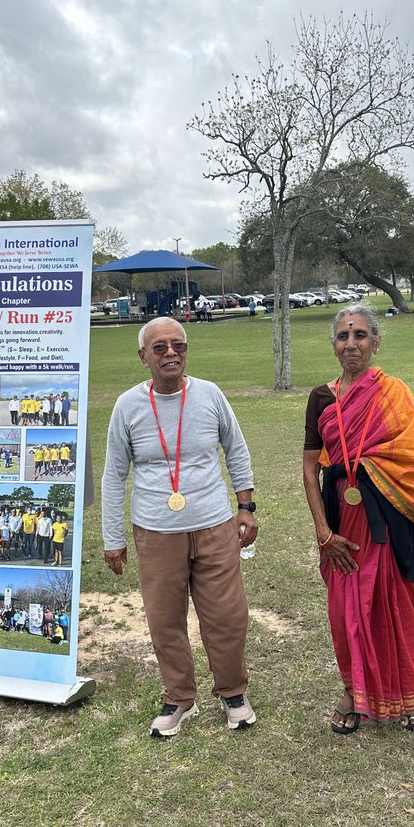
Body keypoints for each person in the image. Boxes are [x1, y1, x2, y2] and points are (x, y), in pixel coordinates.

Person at [303, 305, 414, 734]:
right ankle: (351, 691)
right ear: (333, 345)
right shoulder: (322, 397)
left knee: (398, 605)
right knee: (345, 609)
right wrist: (323, 532)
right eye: (342, 336)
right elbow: (308, 469)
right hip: (343, 519)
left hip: (394, 520)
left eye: (360, 335)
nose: (351, 343)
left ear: (375, 343)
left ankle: (409, 691)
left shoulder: (395, 393)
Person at [102, 316, 259, 737]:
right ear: (143, 357)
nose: (171, 353)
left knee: (228, 615)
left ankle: (232, 692)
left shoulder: (209, 394)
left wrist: (246, 506)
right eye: (160, 348)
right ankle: (178, 697)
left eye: (179, 345)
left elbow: (236, 448)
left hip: (214, 524)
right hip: (155, 531)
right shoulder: (127, 406)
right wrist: (113, 538)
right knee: (165, 619)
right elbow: (114, 475)